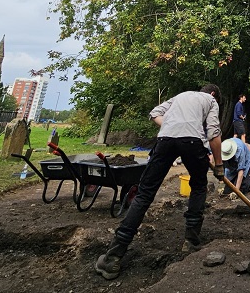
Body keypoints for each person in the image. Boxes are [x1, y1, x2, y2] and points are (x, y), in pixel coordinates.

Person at [95, 84, 224, 280]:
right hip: (192, 142)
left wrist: (172, 126)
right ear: (213, 93)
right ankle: (191, 242)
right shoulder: (211, 100)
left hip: (165, 140)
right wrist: (220, 165)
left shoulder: (180, 95)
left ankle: (112, 257)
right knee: (198, 186)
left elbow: (154, 113)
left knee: (145, 193)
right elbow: (214, 132)